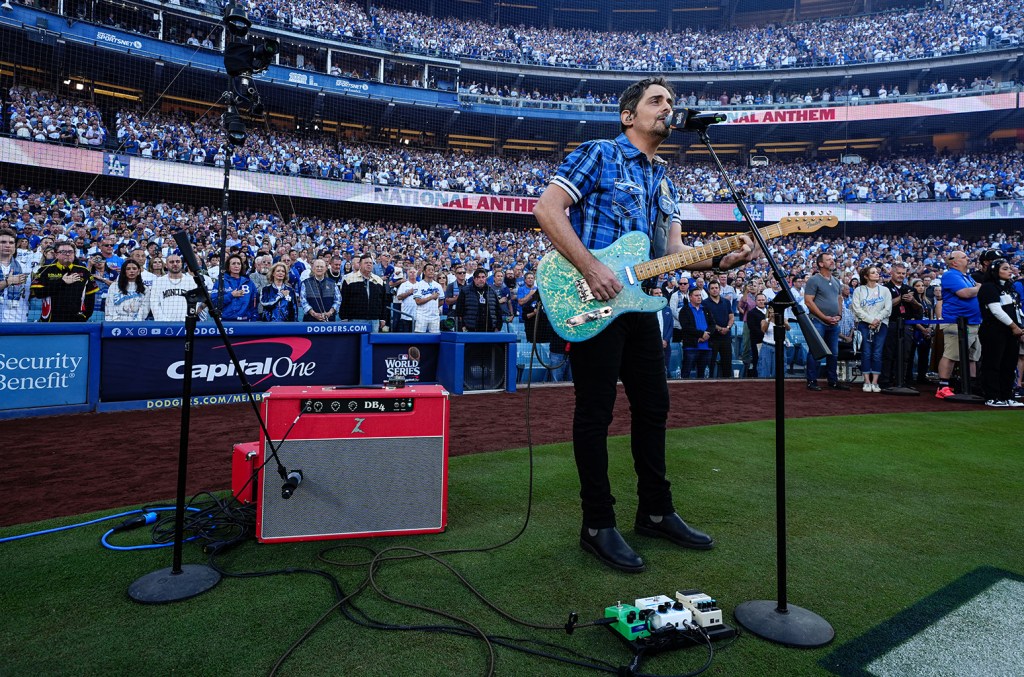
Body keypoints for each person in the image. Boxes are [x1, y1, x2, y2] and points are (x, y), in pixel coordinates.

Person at [532, 76, 754, 573]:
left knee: (654, 409)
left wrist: (724, 261)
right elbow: (548, 209)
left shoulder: (665, 178)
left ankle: (655, 511)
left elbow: (672, 255)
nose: (667, 108)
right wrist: (591, 266)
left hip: (642, 306)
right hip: (594, 302)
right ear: (628, 115)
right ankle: (597, 524)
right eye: (656, 101)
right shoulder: (599, 153)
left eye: (671, 102)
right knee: (596, 412)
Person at [977, 259, 1024, 407]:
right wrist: (1014, 327)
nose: (1010, 271)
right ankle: (992, 396)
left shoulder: (1010, 287)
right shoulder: (988, 287)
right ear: (995, 271)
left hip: (1011, 332)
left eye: (1009, 268)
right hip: (994, 331)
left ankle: (1007, 396)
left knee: (1009, 364)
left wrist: (1020, 327)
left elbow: (1017, 310)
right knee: (993, 363)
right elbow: (996, 310)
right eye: (1005, 269)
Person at [936, 251, 982, 398]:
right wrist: (979, 288)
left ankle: (970, 385)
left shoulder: (966, 276)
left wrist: (975, 288)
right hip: (957, 322)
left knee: (972, 357)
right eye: (963, 257)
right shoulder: (950, 275)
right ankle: (943, 386)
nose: (967, 258)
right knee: (951, 355)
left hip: (973, 322)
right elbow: (965, 293)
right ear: (954, 262)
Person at [803, 252, 849, 391]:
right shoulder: (814, 280)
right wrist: (824, 317)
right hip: (818, 320)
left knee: (834, 353)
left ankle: (832, 381)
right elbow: (808, 301)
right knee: (816, 351)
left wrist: (839, 315)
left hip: (833, 322)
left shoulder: (835, 280)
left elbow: (839, 299)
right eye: (829, 259)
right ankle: (811, 380)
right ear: (821, 264)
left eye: (832, 259)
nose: (832, 261)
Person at [30, 242, 97, 322]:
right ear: (56, 254)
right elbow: (38, 293)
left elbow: (90, 298)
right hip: (50, 321)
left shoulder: (84, 271)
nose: (68, 254)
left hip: (76, 321)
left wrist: (84, 316)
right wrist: (61, 282)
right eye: (63, 252)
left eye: (70, 252)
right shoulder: (45, 270)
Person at [851, 265, 891, 393]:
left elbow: (888, 308)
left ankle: (875, 382)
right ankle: (866, 381)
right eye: (873, 272)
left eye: (877, 272)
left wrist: (877, 320)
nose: (877, 274)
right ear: (866, 276)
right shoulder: (859, 290)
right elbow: (856, 309)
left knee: (878, 352)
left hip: (881, 324)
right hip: (864, 324)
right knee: (866, 352)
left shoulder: (885, 290)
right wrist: (870, 320)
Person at [879, 262, 919, 389]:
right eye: (898, 273)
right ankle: (885, 381)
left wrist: (913, 301)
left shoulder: (911, 289)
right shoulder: (883, 289)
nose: (901, 275)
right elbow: (883, 307)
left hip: (907, 325)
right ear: (891, 272)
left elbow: (919, 309)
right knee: (888, 353)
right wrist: (900, 298)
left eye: (903, 273)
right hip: (889, 324)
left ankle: (902, 380)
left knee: (905, 354)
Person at [340, 255, 388, 331]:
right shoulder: (349, 279)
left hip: (374, 320)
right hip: (355, 320)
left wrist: (383, 318)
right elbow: (344, 300)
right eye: (366, 263)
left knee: (372, 342)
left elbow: (383, 301)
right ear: (360, 265)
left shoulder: (379, 280)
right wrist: (344, 317)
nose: (369, 264)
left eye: (371, 263)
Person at [678, 286, 715, 379]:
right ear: (690, 297)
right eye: (696, 295)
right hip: (691, 347)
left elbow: (712, 324)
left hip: (706, 347)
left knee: (703, 376)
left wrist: (707, 334)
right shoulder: (684, 310)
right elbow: (686, 327)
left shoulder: (706, 309)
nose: (699, 297)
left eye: (700, 295)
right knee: (686, 373)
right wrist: (701, 334)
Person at [150, 254, 197, 322]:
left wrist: (187, 319)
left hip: (187, 322)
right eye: (171, 262)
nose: (175, 264)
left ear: (182, 264)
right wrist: (163, 321)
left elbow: (195, 303)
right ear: (166, 265)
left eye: (177, 261)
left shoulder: (191, 281)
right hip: (164, 323)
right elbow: (154, 304)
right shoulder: (158, 282)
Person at [210, 253, 256, 321]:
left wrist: (254, 319)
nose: (236, 266)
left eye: (238, 263)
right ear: (228, 266)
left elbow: (254, 303)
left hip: (245, 322)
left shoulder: (249, 282)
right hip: (226, 321)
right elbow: (214, 302)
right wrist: (231, 295)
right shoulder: (221, 282)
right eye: (233, 263)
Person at [702, 279, 734, 378]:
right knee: (710, 364)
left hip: (726, 338)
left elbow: (731, 317)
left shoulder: (726, 302)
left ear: (720, 289)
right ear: (708, 290)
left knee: (727, 364)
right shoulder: (705, 303)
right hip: (712, 338)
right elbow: (707, 321)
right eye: (712, 288)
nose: (715, 290)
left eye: (716, 288)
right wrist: (720, 329)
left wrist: (727, 328)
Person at [0, 227, 31, 323]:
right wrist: (7, 282)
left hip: (17, 317)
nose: (7, 245)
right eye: (3, 242)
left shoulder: (26, 268)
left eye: (11, 243)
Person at [908, 278, 934, 384]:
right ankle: (909, 377)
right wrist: (923, 329)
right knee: (911, 355)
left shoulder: (928, 301)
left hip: (927, 330)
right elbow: (912, 318)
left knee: (924, 355)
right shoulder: (911, 302)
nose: (921, 287)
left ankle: (922, 376)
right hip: (915, 330)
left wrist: (930, 328)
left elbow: (931, 316)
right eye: (918, 286)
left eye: (922, 285)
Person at [413, 262, 444, 333]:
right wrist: (431, 297)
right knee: (419, 337)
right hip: (422, 315)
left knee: (435, 337)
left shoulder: (438, 285)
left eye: (432, 270)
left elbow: (441, 301)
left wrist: (435, 307)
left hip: (434, 316)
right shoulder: (418, 285)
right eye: (429, 270)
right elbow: (418, 301)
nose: (431, 271)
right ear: (424, 272)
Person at [393, 265, 418, 332]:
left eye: (414, 272)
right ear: (407, 273)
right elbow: (399, 297)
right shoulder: (403, 285)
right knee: (406, 338)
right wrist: (409, 293)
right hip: (406, 316)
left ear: (417, 273)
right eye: (410, 272)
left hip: (418, 316)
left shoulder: (420, 284)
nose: (412, 274)